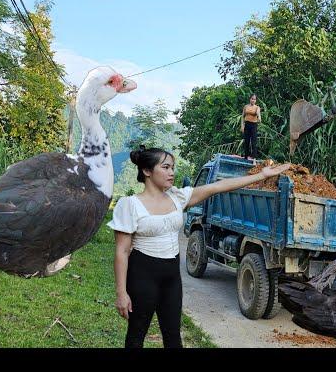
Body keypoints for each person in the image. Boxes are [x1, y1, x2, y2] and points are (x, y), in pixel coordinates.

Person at [108, 146, 290, 348]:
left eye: (172, 167)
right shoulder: (130, 205)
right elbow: (122, 252)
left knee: (173, 337)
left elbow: (219, 187)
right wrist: (121, 293)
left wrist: (262, 175)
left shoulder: (177, 197)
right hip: (142, 276)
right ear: (147, 171)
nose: (172, 172)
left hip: (171, 278)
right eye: (166, 167)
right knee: (136, 335)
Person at [241, 94, 261, 160]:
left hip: (253, 125)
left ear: (256, 100)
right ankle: (246, 157)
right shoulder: (246, 106)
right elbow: (243, 116)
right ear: (250, 99)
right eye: (252, 99)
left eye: (254, 99)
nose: (253, 100)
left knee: (253, 142)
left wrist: (259, 117)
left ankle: (254, 158)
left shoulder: (257, 107)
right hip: (247, 125)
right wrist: (242, 125)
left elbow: (258, 113)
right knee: (246, 141)